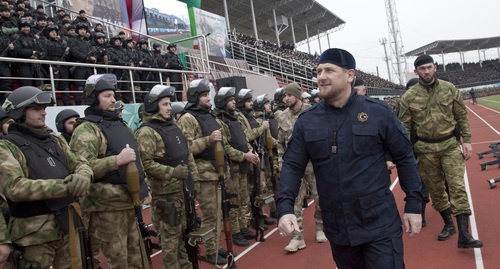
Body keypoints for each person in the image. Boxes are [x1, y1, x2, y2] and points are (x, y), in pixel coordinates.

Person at [277, 48, 423, 268]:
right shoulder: (308, 121)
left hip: (379, 224)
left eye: (329, 70)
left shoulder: (378, 112)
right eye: (318, 71)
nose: (321, 76)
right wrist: (285, 208)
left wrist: (413, 203)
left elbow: (404, 157)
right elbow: (292, 165)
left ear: (350, 75)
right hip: (338, 227)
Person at [0, 86, 92, 267]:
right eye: (36, 109)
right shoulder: (6, 147)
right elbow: (14, 188)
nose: (43, 113)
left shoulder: (55, 140)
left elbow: (80, 162)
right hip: (34, 235)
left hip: (68, 225)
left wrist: (83, 174)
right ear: (19, 112)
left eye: (44, 109)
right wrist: (66, 186)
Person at [399, 55, 483, 248]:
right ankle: (448, 225)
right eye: (422, 69)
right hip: (425, 150)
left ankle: (464, 235)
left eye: (429, 67)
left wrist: (467, 141)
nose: (426, 72)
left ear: (435, 67)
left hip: (449, 146)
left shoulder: (449, 88)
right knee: (437, 192)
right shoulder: (409, 97)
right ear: (416, 71)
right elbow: (403, 126)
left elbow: (461, 115)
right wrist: (404, 153)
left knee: (457, 188)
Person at [70, 74, 149, 267]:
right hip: (106, 208)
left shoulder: (121, 125)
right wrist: (116, 160)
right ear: (93, 98)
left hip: (129, 202)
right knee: (119, 261)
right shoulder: (87, 129)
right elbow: (82, 167)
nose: (113, 99)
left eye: (113, 95)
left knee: (137, 258)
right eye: (107, 95)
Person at [135, 85, 198, 268]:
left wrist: (194, 180)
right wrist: (173, 172)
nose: (169, 107)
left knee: (182, 237)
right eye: (164, 104)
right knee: (170, 242)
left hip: (182, 192)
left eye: (169, 104)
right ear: (154, 106)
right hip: (165, 196)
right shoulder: (146, 132)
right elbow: (146, 164)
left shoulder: (173, 126)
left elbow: (187, 154)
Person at [176, 78, 227, 265]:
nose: (208, 98)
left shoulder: (209, 115)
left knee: (218, 213)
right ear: (195, 97)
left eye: (208, 94)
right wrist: (208, 140)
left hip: (216, 171)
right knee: (209, 215)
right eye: (204, 95)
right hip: (203, 173)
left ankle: (217, 247)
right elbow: (186, 148)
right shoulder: (188, 118)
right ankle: (212, 251)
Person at [276, 82, 326, 253]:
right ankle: (297, 238)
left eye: (288, 95)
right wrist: (281, 162)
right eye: (284, 96)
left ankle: (320, 227)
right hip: (293, 166)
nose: (286, 98)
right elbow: (280, 143)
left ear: (297, 95)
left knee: (320, 198)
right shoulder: (282, 116)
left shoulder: (312, 112)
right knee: (295, 202)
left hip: (313, 163)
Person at [213, 87, 259, 247]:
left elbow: (243, 138)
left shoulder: (234, 118)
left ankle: (243, 226)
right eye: (230, 100)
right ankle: (236, 232)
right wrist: (244, 155)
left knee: (242, 198)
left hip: (242, 166)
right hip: (232, 168)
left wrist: (250, 151)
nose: (234, 102)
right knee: (233, 202)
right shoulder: (219, 121)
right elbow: (225, 147)